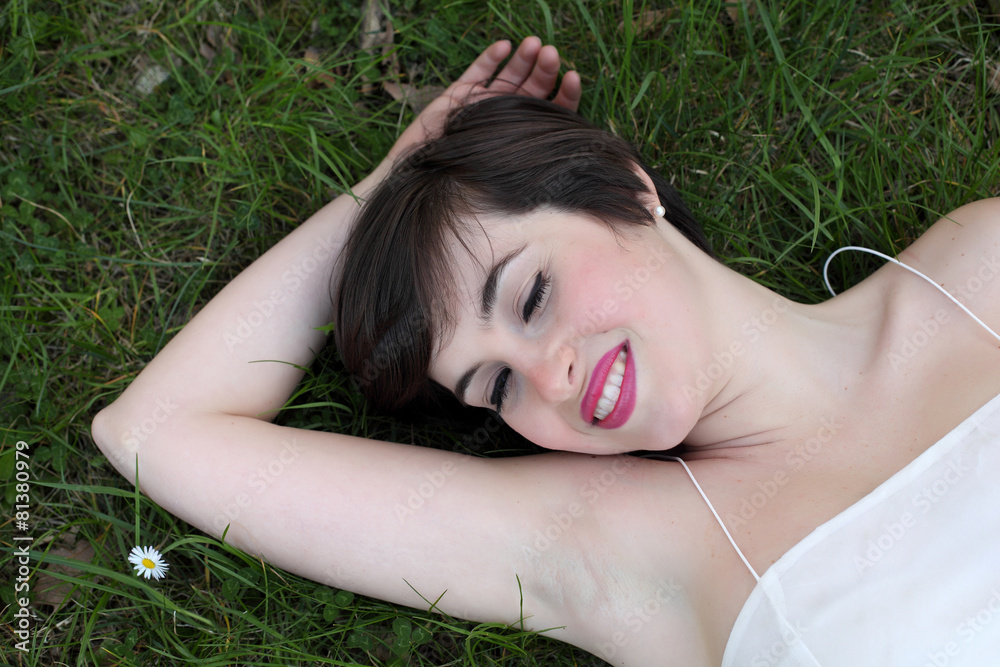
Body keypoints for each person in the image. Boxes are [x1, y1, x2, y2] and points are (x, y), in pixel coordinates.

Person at [91, 37, 1000, 666]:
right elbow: (154, 431)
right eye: (494, 385)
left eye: (530, 296)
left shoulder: (975, 272)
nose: (545, 376)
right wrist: (385, 187)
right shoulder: (614, 546)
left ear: (627, 188)